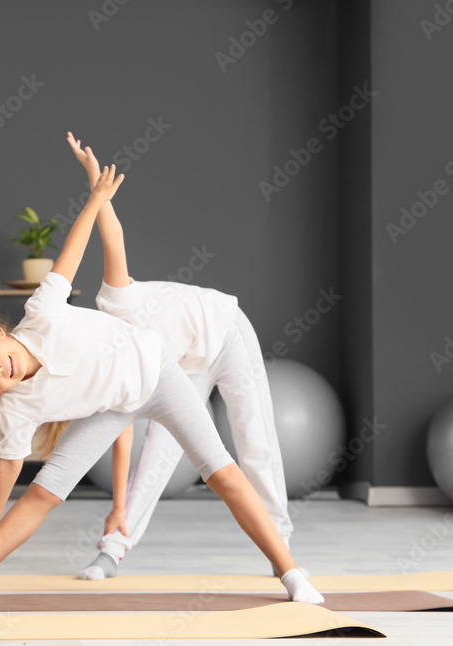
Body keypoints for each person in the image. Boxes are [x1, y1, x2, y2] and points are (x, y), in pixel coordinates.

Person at [0, 138, 323, 606]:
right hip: (111, 406)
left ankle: (291, 574)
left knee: (223, 473)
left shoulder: (43, 310)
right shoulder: (16, 407)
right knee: (42, 497)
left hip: (161, 375)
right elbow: (9, 468)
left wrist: (95, 199)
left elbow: (80, 247)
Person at [64, 133, 293, 581]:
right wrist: (115, 507)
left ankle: (279, 545)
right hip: (183, 367)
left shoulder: (116, 301)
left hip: (225, 331)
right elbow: (122, 434)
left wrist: (96, 187)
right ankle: (114, 547)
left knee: (254, 437)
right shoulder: (119, 367)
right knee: (158, 454)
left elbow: (113, 235)